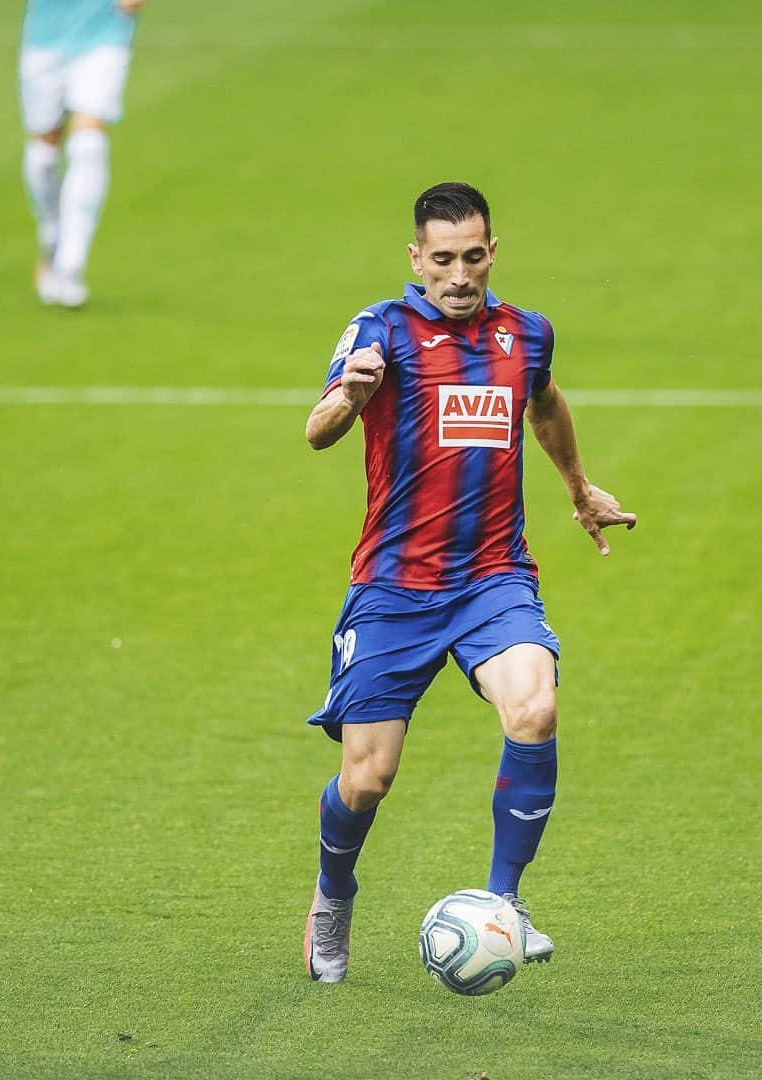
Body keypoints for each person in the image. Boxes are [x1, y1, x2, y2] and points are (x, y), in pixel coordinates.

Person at [302, 183, 636, 983]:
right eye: (442, 259)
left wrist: (578, 487)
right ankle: (333, 893)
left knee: (537, 705)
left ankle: (504, 903)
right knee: (367, 778)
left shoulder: (526, 334)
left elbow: (545, 403)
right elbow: (316, 430)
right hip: (394, 586)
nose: (459, 274)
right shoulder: (380, 329)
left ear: (492, 252)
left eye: (473, 256)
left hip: (493, 577)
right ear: (417, 259)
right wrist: (351, 395)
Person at [20, 0, 146, 308]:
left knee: (89, 145)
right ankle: (52, 237)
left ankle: (70, 266)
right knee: (43, 152)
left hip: (104, 37)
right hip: (44, 39)